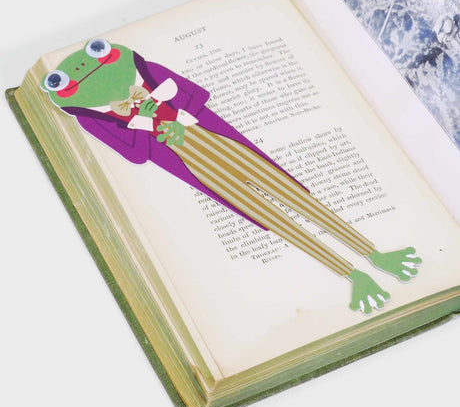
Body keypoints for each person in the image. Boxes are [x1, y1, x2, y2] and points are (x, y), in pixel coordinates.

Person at [41, 39, 422, 314]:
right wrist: (141, 121)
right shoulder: (92, 120)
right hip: (191, 162)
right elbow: (136, 154)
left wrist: (161, 106)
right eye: (62, 81)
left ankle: (376, 254)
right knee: (270, 216)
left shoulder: (150, 72)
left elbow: (196, 95)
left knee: (293, 195)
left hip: (219, 140)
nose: (87, 72)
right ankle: (353, 275)